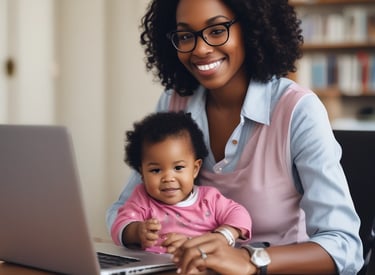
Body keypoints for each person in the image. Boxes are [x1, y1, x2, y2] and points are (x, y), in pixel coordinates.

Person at [107, 0, 364, 274]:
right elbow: (124, 208)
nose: (201, 49)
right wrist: (139, 232)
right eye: (185, 36)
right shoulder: (174, 104)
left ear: (252, 29)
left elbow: (344, 246)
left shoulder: (297, 110)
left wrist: (249, 261)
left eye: (217, 30)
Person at [111, 111, 252, 254]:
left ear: (195, 169)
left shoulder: (208, 199)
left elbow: (240, 215)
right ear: (142, 173)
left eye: (178, 168)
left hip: (202, 266)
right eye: (156, 170)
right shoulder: (142, 199)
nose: (168, 178)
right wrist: (137, 232)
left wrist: (223, 236)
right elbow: (119, 225)